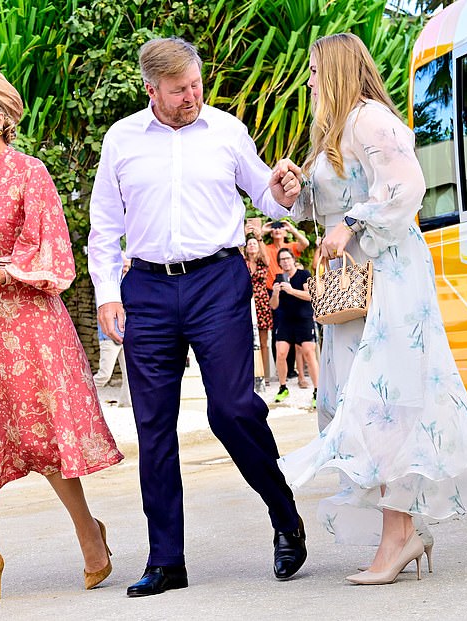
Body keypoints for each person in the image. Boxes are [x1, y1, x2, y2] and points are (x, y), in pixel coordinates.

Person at [88, 37, 307, 597]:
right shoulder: (122, 139)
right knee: (153, 426)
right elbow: (104, 227)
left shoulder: (226, 131)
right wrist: (109, 293)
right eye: (180, 88)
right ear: (151, 89)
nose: (193, 95)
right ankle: (166, 559)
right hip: (148, 291)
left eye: (196, 84)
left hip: (217, 280)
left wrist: (282, 188)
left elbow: (268, 194)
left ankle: (284, 514)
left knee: (232, 409)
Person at [278, 33, 467, 585]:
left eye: (315, 70)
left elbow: (406, 187)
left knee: (384, 403)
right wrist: (294, 189)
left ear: (339, 70)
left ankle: (399, 537)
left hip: (388, 281)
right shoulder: (338, 130)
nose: (309, 80)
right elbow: (332, 201)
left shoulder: (370, 119)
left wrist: (352, 224)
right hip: (356, 292)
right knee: (358, 404)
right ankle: (401, 532)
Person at [0, 70, 123, 604]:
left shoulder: (32, 174)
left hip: (29, 327)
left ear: (1, 118)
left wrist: (1, 272)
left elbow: (53, 250)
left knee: (44, 440)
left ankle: (90, 536)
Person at [269, 248, 318, 406]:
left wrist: (291, 291)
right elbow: (273, 306)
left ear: (293, 259)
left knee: (309, 353)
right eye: (282, 259)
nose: (285, 261)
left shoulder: (304, 275)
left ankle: (317, 391)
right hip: (285, 321)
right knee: (281, 352)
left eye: (287, 258)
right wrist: (276, 293)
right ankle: (283, 387)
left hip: (304, 319)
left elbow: (311, 296)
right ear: (279, 263)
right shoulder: (279, 279)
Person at [262, 219, 309, 385]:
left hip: (291, 288)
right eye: (274, 228)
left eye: (280, 228)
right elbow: (258, 250)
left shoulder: (290, 248)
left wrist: (291, 228)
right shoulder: (267, 249)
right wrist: (263, 230)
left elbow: (305, 243)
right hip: (274, 290)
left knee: (295, 330)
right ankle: (283, 371)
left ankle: (291, 370)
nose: (277, 230)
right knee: (279, 331)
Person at [94, 254, 131, 407]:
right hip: (109, 337)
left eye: (128, 266)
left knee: (129, 374)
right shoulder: (107, 286)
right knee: (104, 374)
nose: (126, 268)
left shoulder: (128, 282)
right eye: (123, 265)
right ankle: (80, 396)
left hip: (126, 336)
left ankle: (126, 404)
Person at [244, 233, 273, 385]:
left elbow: (267, 258)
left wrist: (259, 238)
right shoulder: (243, 263)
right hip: (246, 302)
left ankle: (265, 375)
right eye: (249, 244)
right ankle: (250, 375)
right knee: (246, 340)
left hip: (261, 302)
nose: (252, 246)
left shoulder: (263, 262)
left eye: (254, 243)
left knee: (263, 341)